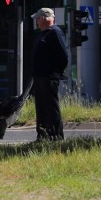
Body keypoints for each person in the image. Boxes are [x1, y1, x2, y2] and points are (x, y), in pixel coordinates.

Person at [30, 7, 70, 141]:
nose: (36, 22)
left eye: (37, 19)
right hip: (40, 77)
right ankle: (43, 135)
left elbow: (64, 56)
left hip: (49, 76)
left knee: (51, 107)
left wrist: (56, 71)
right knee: (41, 107)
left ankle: (56, 135)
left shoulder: (55, 33)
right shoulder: (43, 34)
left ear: (43, 18)